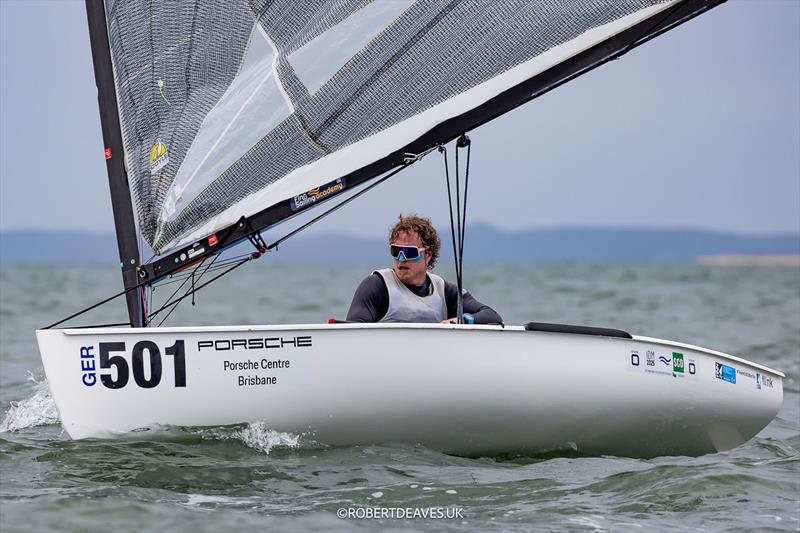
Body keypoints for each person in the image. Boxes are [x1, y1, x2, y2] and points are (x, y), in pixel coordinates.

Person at [346, 215, 502, 324]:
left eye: (409, 252)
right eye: (396, 251)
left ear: (428, 255)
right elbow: (353, 334)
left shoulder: (444, 291)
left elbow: (492, 316)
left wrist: (462, 320)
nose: (401, 259)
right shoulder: (376, 285)